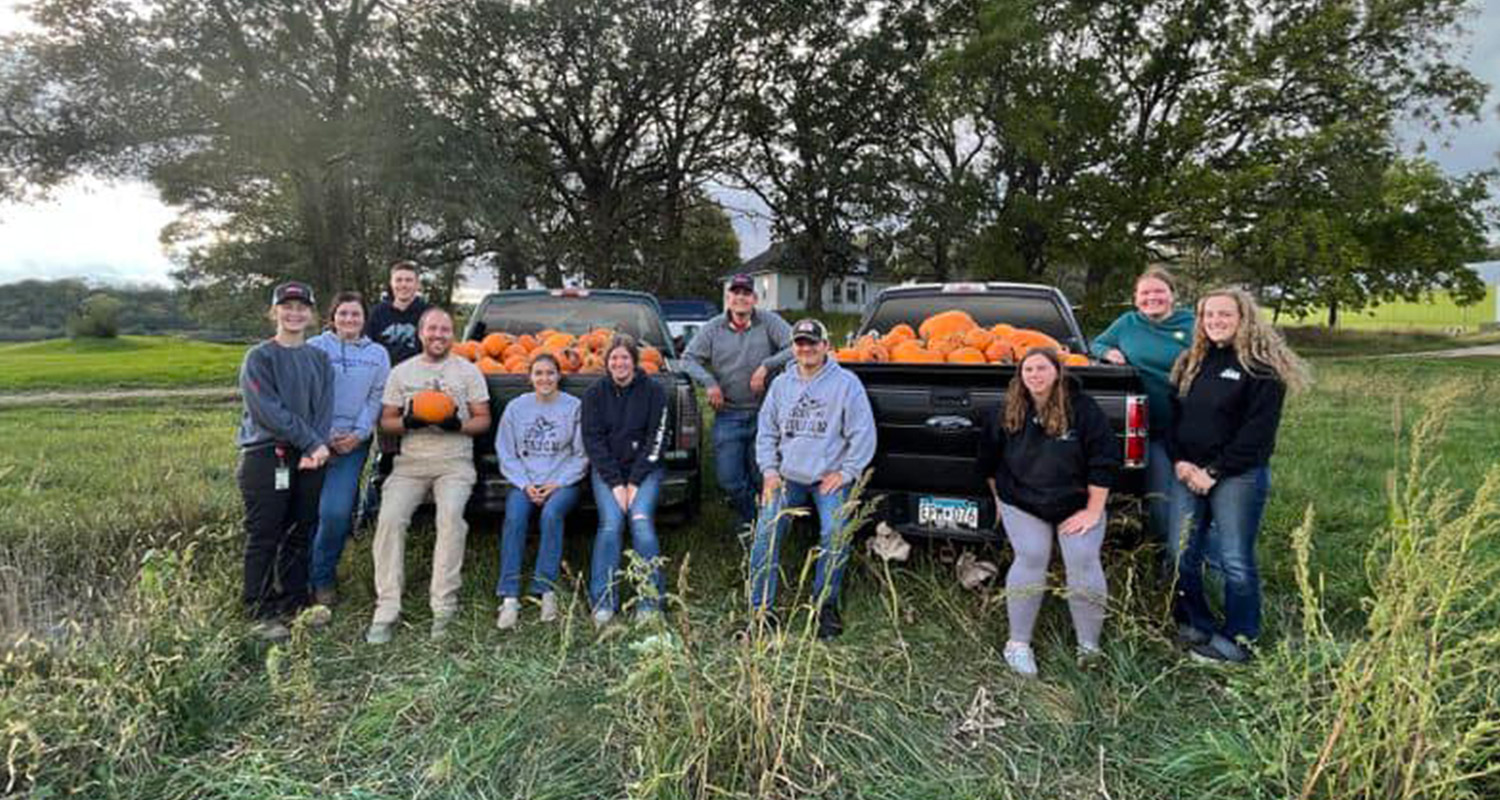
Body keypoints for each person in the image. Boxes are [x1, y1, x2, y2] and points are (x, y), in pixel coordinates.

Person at [1166, 288, 1309, 664]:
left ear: (1244, 318)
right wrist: (1181, 462)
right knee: (1180, 551)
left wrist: (1214, 472)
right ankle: (1196, 624)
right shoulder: (1192, 362)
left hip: (1236, 476)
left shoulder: (1262, 367)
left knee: (1235, 561)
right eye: (1208, 314)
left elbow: (1257, 435)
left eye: (1224, 314)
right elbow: (1173, 419)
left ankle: (1238, 641)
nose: (1215, 321)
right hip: (1187, 473)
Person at [978, 347, 1119, 676]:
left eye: (1042, 368)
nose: (1035, 375)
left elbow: (1105, 459)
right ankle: (1017, 644)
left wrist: (1093, 511)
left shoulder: (1082, 408)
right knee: (1031, 554)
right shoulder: (1007, 409)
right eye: (1028, 370)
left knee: (1082, 557)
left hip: (1077, 502)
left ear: (1058, 371)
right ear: (1020, 375)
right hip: (1023, 501)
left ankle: (1088, 645)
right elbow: (988, 460)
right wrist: (1000, 501)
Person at [365, 307, 491, 644]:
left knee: (451, 519)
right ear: (421, 332)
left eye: (445, 329)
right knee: (390, 519)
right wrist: (408, 422)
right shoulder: (402, 373)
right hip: (410, 465)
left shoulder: (468, 372)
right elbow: (386, 420)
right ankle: (387, 606)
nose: (438, 335)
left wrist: (459, 425)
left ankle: (443, 606)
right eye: (432, 329)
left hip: (454, 463)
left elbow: (483, 419)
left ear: (454, 334)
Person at [747, 318, 876, 640]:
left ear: (825, 346)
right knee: (766, 530)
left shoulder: (847, 383)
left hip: (827, 478)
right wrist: (770, 472)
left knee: (835, 532)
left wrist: (847, 472)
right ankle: (761, 610)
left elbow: (863, 433)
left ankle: (825, 606)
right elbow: (766, 432)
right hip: (787, 477)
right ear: (793, 348)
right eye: (800, 343)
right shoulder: (781, 385)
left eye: (812, 342)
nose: (806, 348)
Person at [235, 281, 334, 641]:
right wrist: (311, 442)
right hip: (267, 455)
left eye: (301, 307)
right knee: (265, 534)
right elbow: (268, 411)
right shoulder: (259, 358)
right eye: (287, 306)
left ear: (311, 314)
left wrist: (316, 447)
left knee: (300, 532)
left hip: (310, 459)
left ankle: (296, 604)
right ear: (275, 311)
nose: (294, 313)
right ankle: (259, 610)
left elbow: (324, 409)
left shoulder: (319, 359)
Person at [1089, 267, 1195, 546]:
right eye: (1145, 293)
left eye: (1159, 291)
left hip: (1187, 426)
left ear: (1172, 295)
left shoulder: (1191, 324)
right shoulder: (1127, 323)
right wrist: (1107, 352)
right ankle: (1161, 554)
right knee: (1158, 499)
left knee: (1189, 498)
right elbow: (1096, 343)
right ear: (1136, 298)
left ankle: (1189, 555)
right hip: (1149, 429)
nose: (1152, 297)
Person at [682, 274, 794, 529]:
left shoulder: (768, 322)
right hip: (728, 413)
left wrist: (767, 365)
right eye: (736, 293)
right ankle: (752, 517)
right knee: (729, 479)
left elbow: (794, 345)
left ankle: (762, 525)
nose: (741, 297)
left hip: (764, 414)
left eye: (746, 293)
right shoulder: (713, 328)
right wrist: (709, 382)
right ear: (728, 298)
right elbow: (688, 359)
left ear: (754, 299)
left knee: (760, 475)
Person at [306, 291, 390, 609]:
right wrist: (322, 434)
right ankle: (300, 578)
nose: (349, 320)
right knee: (306, 512)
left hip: (352, 445)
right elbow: (306, 393)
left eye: (355, 314)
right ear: (333, 317)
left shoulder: (377, 354)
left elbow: (376, 396)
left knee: (335, 512)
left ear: (364, 319)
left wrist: (358, 434)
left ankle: (323, 578)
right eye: (343, 314)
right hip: (313, 439)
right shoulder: (315, 348)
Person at [493, 353, 588, 629]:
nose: (544, 378)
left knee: (551, 514)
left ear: (559, 376)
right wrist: (525, 485)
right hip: (526, 482)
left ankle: (545, 588)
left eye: (550, 373)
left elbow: (581, 454)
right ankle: (509, 596)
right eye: (538, 373)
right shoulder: (516, 408)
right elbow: (506, 452)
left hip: (562, 483)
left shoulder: (574, 407)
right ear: (530, 377)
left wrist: (558, 483)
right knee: (514, 518)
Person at [581, 333, 669, 627]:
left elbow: (657, 439)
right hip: (608, 472)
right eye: (614, 358)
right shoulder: (595, 394)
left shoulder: (655, 392)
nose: (619, 363)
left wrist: (634, 483)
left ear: (634, 361)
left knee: (641, 522)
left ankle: (649, 602)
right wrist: (616, 484)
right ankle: (604, 602)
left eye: (625, 358)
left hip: (645, 470)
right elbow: (593, 442)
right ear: (607, 362)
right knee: (610, 525)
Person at [358, 260, 431, 529]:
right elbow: (366, 350)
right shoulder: (378, 314)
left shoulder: (427, 313)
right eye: (398, 280)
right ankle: (369, 512)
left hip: (421, 394)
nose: (403, 285)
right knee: (388, 453)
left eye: (408, 280)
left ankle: (415, 511)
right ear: (392, 283)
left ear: (417, 284)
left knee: (417, 451)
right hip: (387, 394)